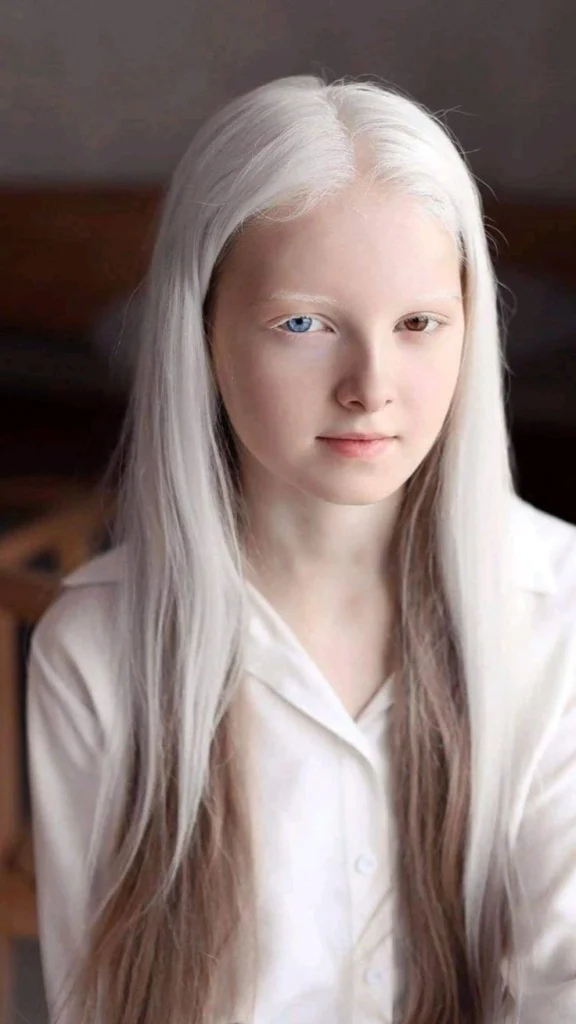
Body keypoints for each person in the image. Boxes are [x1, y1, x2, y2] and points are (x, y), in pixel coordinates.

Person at [26, 75, 576, 1024]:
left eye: (416, 325)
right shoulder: (94, 650)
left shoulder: (558, 609)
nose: (371, 385)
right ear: (201, 331)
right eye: (304, 324)